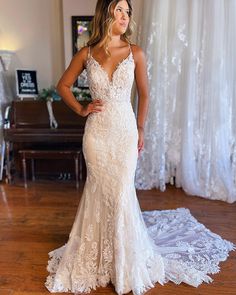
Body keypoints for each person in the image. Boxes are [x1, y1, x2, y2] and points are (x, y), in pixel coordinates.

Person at [45, 1, 235, 294]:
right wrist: (82, 109)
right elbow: (63, 86)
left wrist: (141, 128)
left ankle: (123, 262)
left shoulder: (136, 52)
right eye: (119, 9)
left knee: (121, 192)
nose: (124, 16)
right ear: (105, 12)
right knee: (98, 191)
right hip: (96, 135)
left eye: (127, 12)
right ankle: (98, 257)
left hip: (124, 132)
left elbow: (145, 95)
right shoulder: (87, 53)